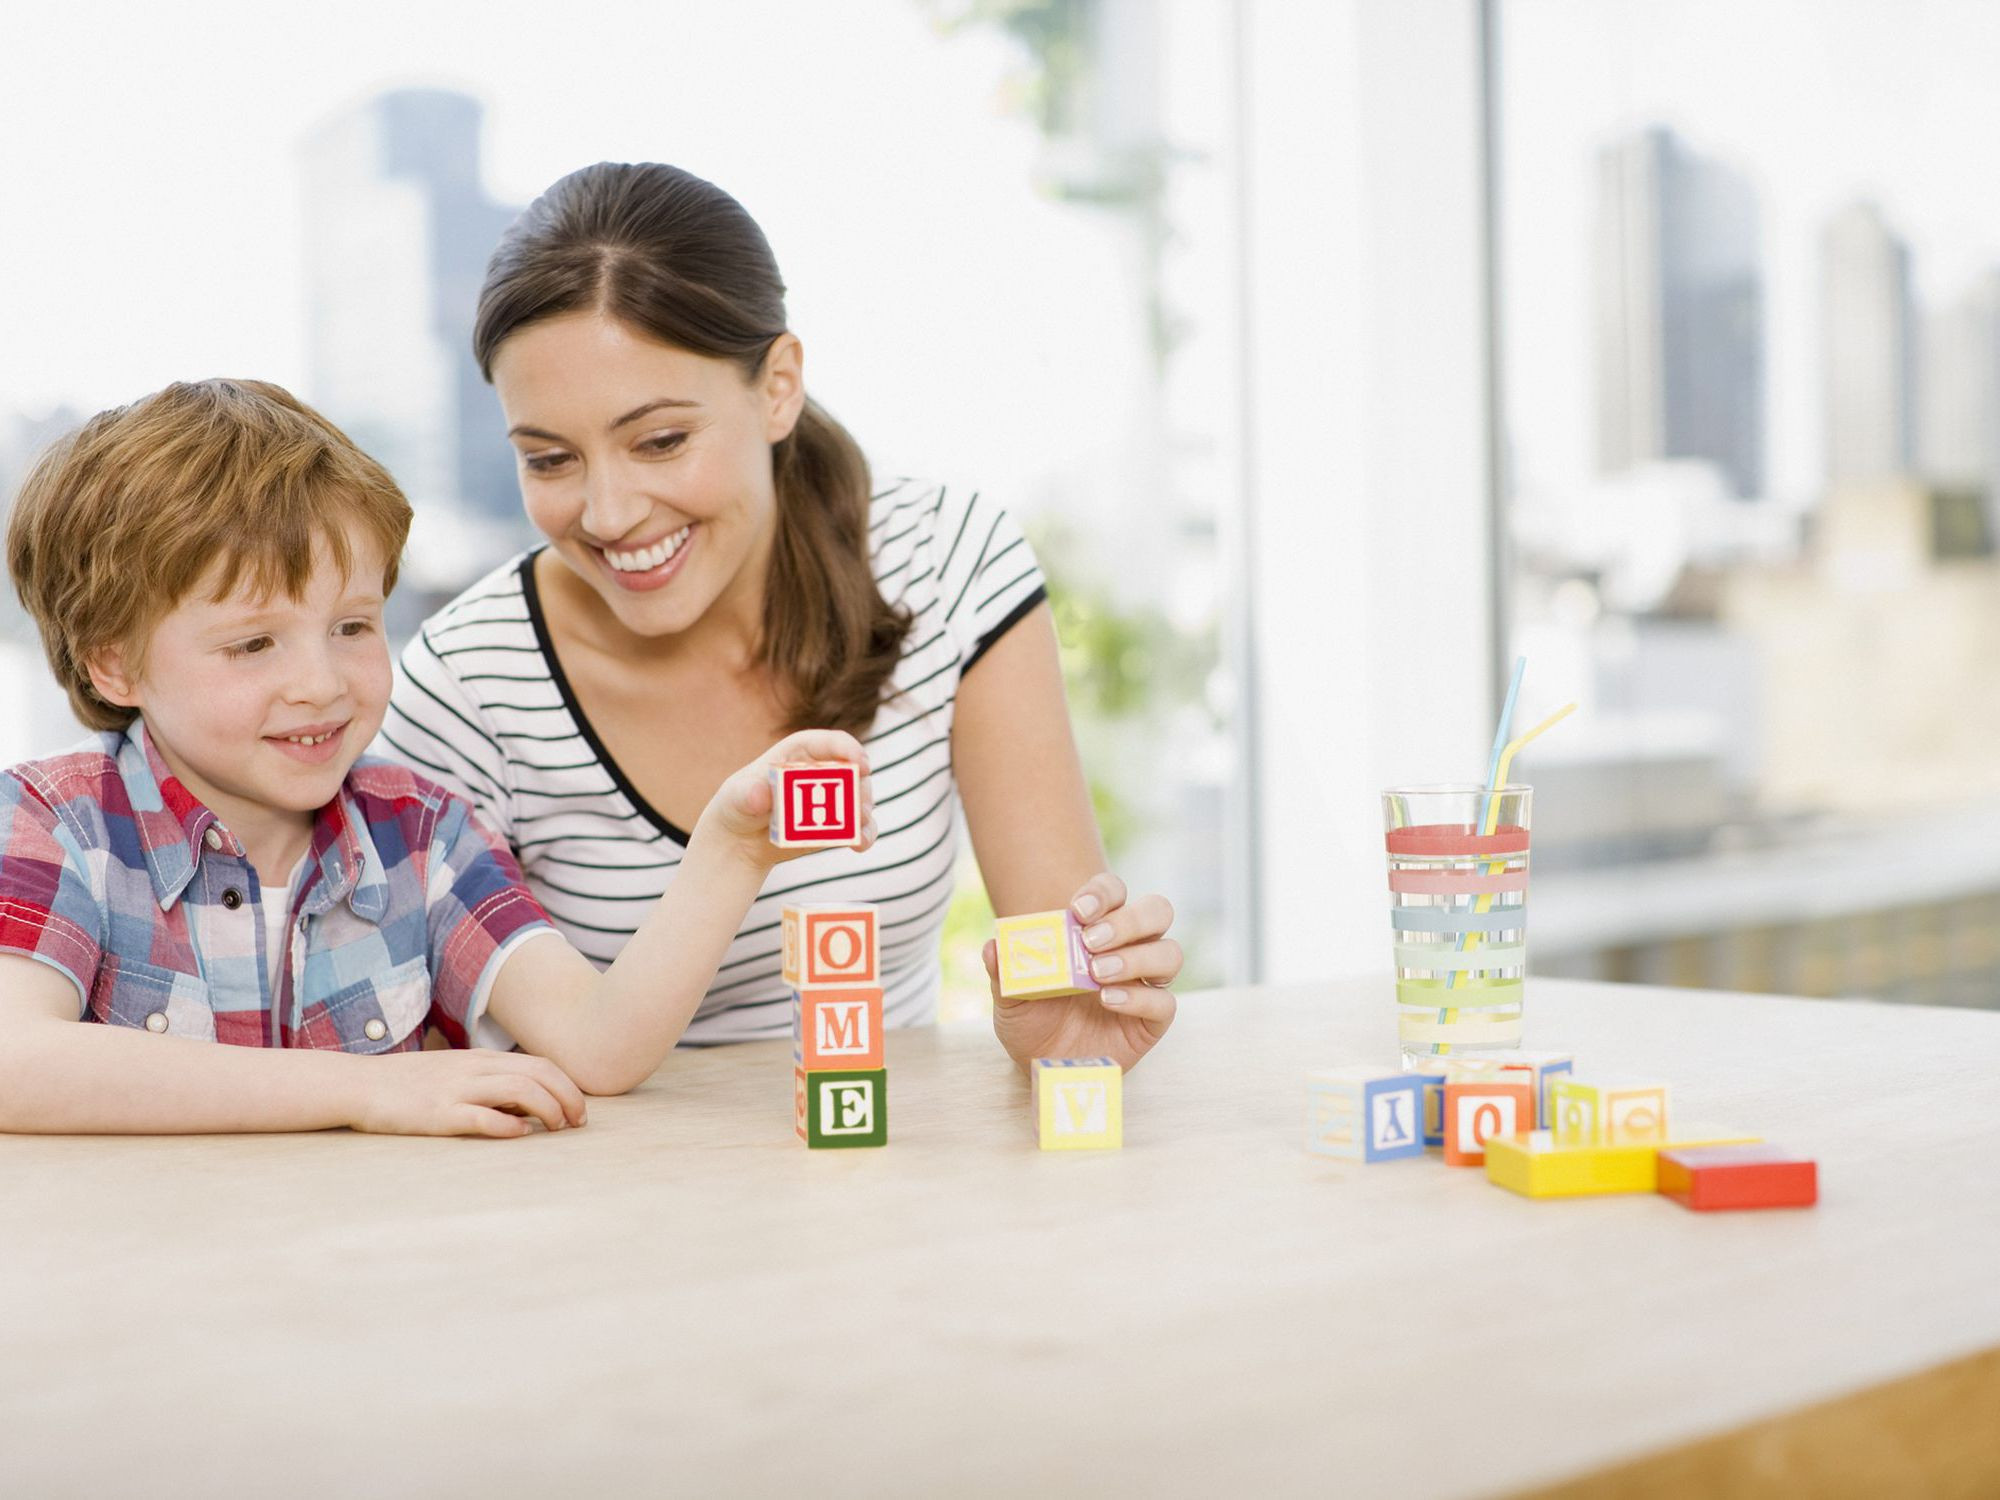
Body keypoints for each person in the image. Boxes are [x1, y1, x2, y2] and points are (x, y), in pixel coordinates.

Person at [377, 161, 1184, 1070]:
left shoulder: (949, 562)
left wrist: (1067, 1027)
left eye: (661, 441)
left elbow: (1063, 969)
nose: (607, 515)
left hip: (880, 1169)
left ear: (778, 386)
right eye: (551, 459)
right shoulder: (467, 681)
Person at [0, 378, 874, 1137]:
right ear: (113, 661)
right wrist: (366, 1091)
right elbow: (15, 1063)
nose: (321, 684)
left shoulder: (423, 834)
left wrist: (731, 848)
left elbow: (601, 1045)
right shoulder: (55, 824)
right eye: (253, 644)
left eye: (352, 626)